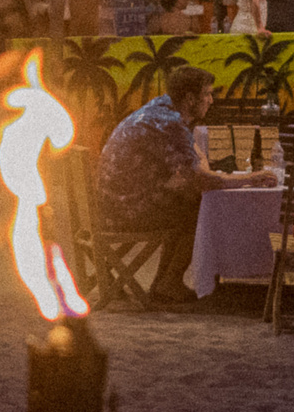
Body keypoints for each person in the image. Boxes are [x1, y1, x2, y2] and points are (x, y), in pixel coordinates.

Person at [96, 66, 239, 306]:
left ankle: (166, 283)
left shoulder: (160, 109)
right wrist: (255, 178)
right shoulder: (169, 122)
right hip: (124, 212)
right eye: (207, 94)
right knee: (199, 207)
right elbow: (201, 179)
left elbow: (191, 161)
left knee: (186, 200)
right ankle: (168, 283)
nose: (211, 100)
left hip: (111, 205)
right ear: (190, 99)